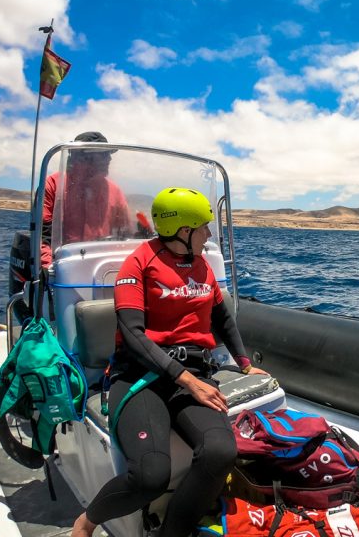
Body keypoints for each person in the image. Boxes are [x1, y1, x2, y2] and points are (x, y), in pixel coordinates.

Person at [70, 187, 268, 537]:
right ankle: (86, 523)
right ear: (183, 231)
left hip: (192, 373)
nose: (208, 235)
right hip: (138, 377)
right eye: (203, 227)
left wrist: (245, 363)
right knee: (150, 476)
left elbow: (222, 318)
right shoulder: (139, 264)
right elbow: (132, 334)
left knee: (221, 451)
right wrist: (187, 381)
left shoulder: (201, 265)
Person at [40, 131, 130, 268]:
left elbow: (125, 234)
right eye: (104, 154)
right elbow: (43, 233)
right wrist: (48, 268)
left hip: (103, 269)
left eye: (109, 155)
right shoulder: (53, 184)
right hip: (61, 268)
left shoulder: (115, 191)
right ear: (84, 157)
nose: (109, 159)